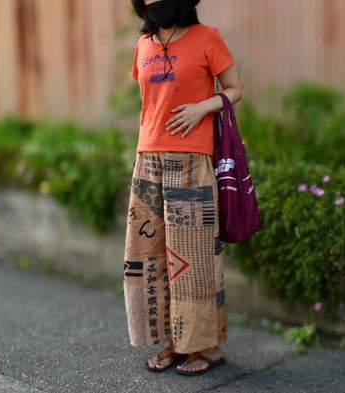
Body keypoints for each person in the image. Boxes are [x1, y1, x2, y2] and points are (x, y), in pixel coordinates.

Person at [124, 0, 243, 376]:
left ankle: (205, 348)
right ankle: (173, 342)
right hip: (148, 161)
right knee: (151, 255)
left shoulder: (208, 38)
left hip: (191, 161)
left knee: (194, 259)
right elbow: (149, 102)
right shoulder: (143, 45)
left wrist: (202, 108)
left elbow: (235, 89)